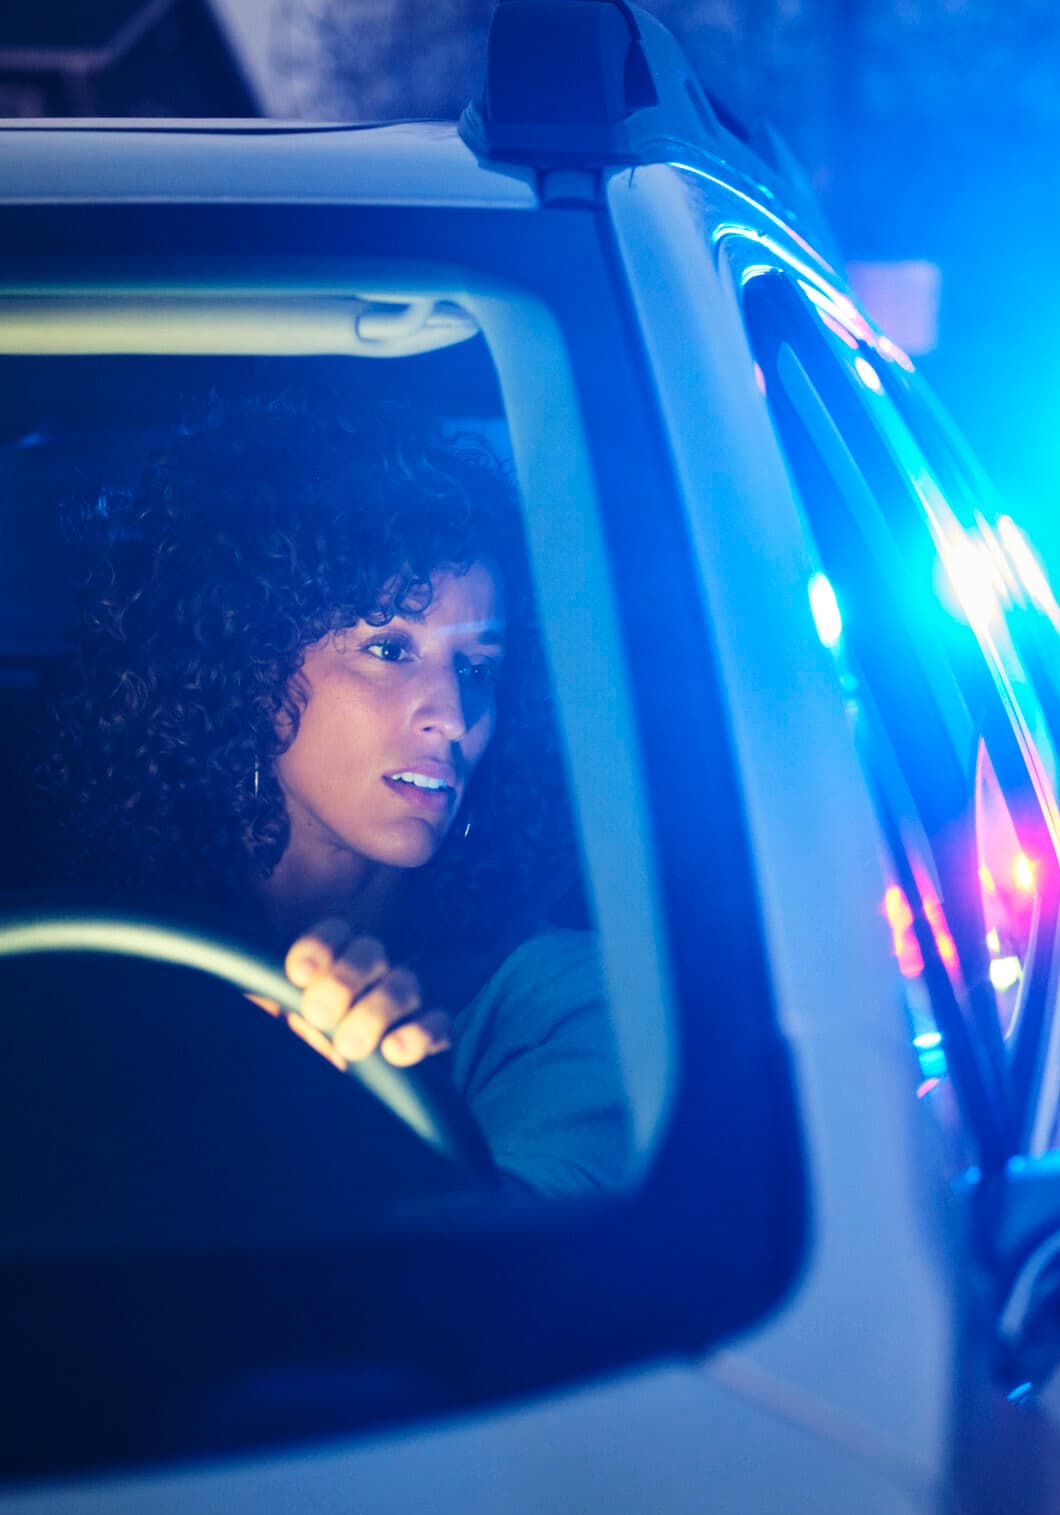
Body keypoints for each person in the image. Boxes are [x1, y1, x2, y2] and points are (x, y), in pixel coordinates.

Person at [41, 384, 627, 1197]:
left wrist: (385, 1107)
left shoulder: (560, 1000)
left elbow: (533, 1274)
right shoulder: (78, 972)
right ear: (246, 665)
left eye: (478, 667)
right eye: (389, 651)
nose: (455, 715)